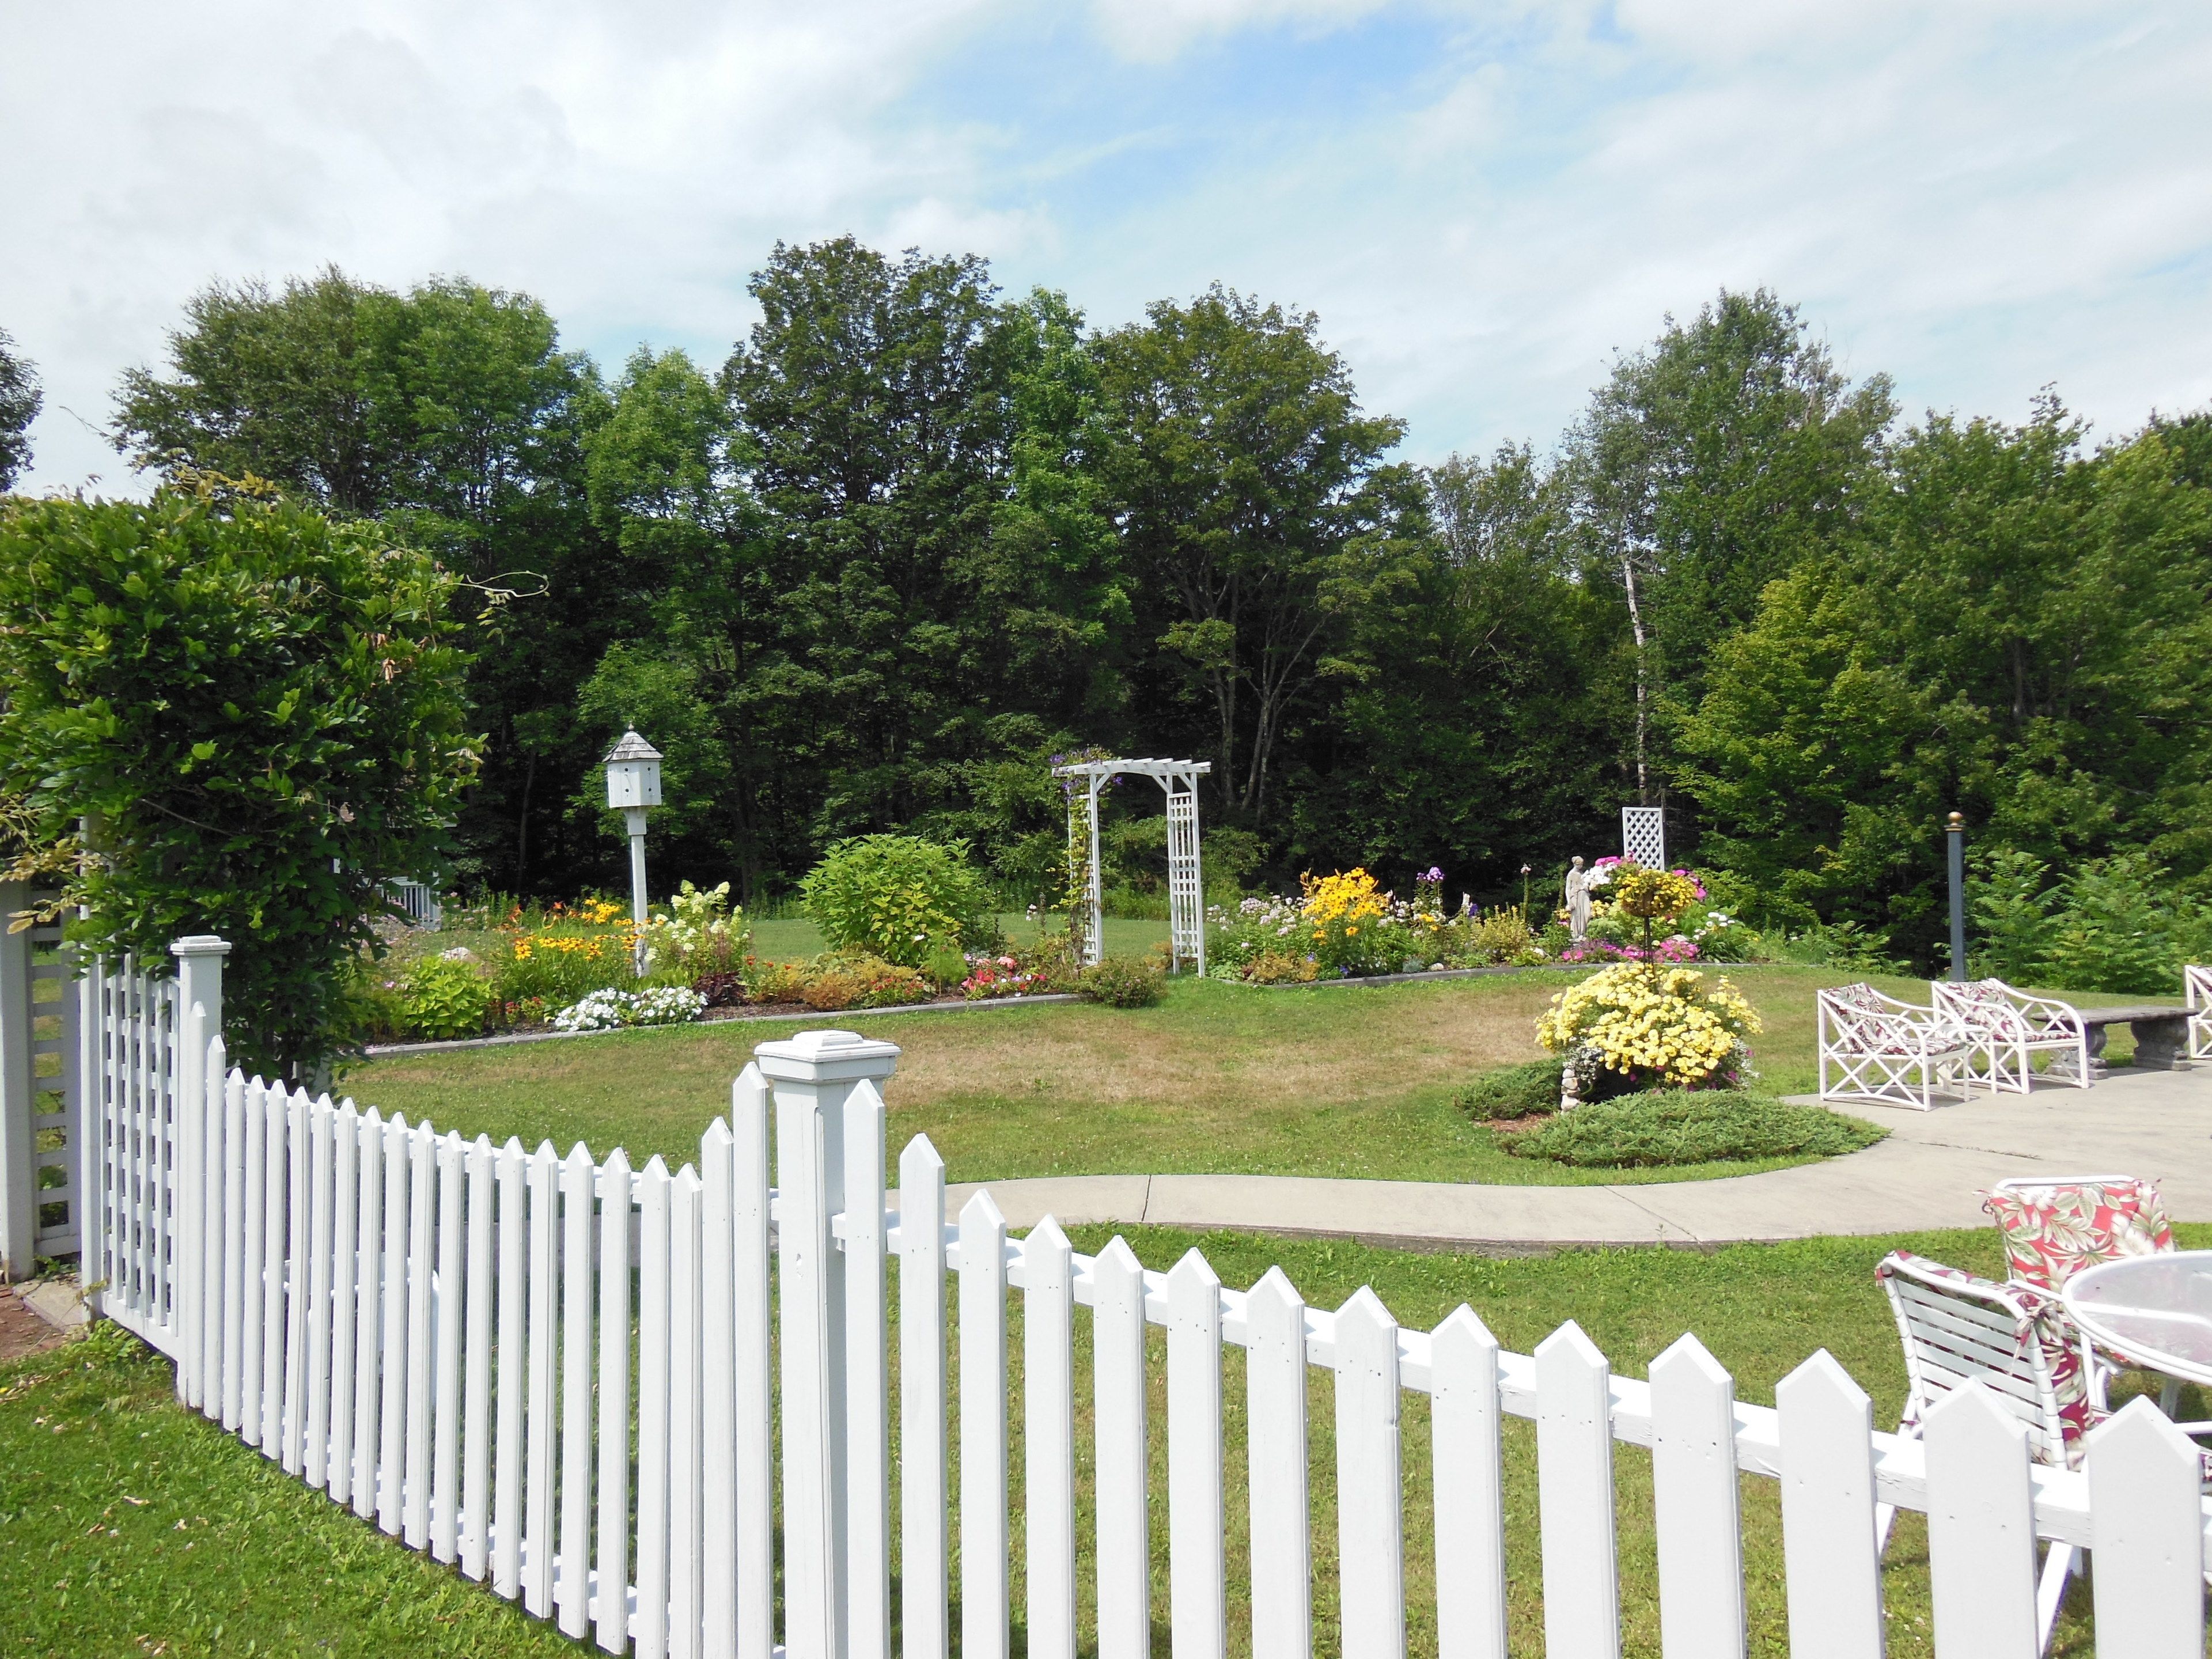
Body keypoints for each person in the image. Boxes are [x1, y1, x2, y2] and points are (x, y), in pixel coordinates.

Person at [1565, 855, 1592, 942]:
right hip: (1576, 897)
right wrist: (1569, 902)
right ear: (1576, 864)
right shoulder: (1571, 874)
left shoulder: (1582, 874)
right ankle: (1577, 935)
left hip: (1584, 896)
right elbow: (1568, 889)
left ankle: (1583, 933)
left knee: (1587, 915)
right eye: (1580, 864)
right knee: (1576, 916)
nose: (1581, 866)